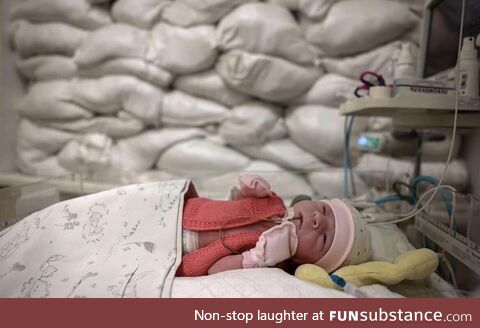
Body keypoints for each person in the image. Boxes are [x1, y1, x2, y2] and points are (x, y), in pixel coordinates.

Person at [176, 176, 371, 277]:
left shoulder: (273, 262)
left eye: (324, 238)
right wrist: (249, 191)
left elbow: (213, 269)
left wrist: (256, 258)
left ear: (306, 264)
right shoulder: (273, 202)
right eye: (323, 209)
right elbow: (233, 207)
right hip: (183, 209)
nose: (318, 219)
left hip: (177, 249)